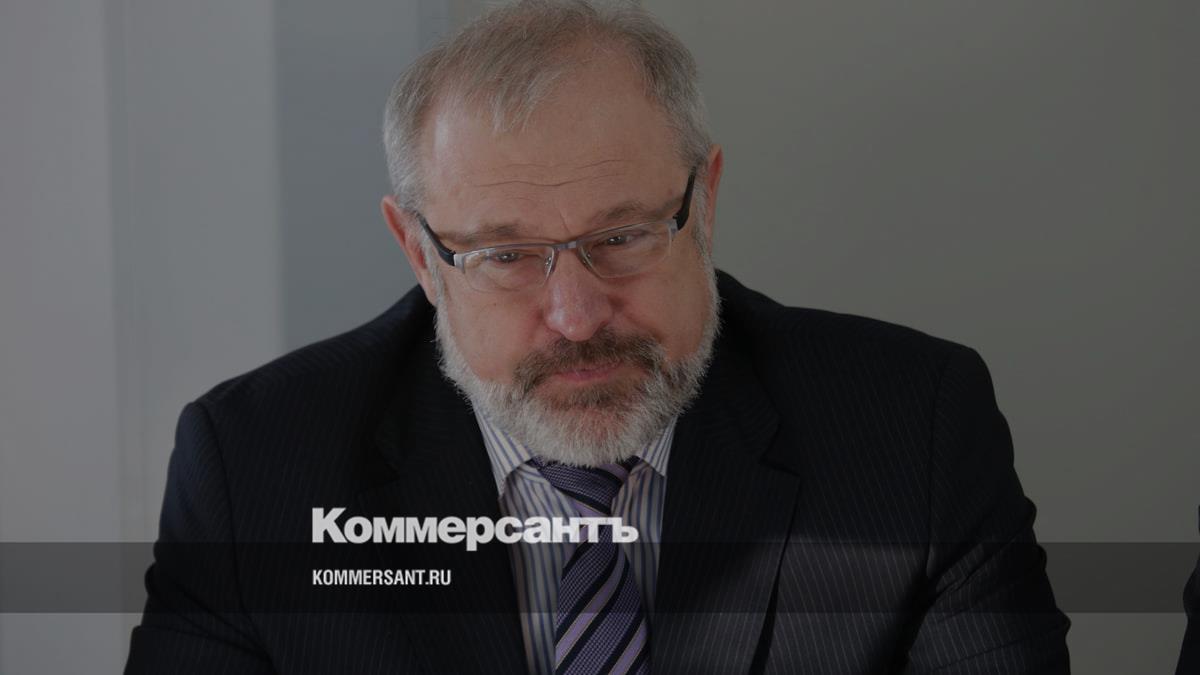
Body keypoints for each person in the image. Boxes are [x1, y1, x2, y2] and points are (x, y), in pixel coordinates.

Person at [125, 1, 1070, 672]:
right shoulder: (256, 467)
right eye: (504, 255)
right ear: (419, 253)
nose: (576, 316)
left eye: (621, 237)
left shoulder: (913, 429)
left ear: (704, 203)